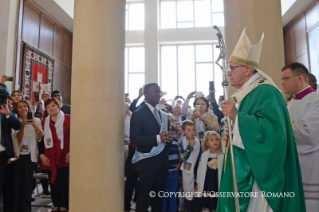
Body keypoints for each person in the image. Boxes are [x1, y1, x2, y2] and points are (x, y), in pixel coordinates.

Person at [218, 28, 305, 211]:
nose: (229, 73)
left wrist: (236, 117)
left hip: (260, 178)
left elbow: (274, 134)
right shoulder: (248, 93)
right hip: (249, 169)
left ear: (248, 70)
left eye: (233, 68)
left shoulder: (266, 92)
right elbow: (250, 127)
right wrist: (233, 129)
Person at [281, 62, 319, 211]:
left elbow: (308, 133)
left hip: (309, 162)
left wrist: (279, 128)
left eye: (286, 78)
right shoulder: (291, 102)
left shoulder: (315, 100)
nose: (282, 82)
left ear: (299, 78)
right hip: (293, 161)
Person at [130, 83, 171, 212]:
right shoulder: (138, 114)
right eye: (155, 92)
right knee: (144, 197)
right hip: (147, 162)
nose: (158, 94)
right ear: (146, 94)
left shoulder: (163, 115)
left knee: (158, 198)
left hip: (162, 163)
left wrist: (168, 138)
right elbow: (135, 138)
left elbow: (166, 137)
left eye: (159, 92)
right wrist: (158, 138)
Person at [5, 100, 43, 212]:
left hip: (31, 156)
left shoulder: (36, 120)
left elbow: (40, 136)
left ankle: (26, 208)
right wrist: (22, 126)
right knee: (17, 184)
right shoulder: (15, 121)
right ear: (16, 109)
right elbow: (18, 139)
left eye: (25, 106)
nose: (23, 109)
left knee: (27, 184)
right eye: (20, 107)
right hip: (18, 156)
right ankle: (15, 208)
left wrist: (34, 125)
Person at [38, 97, 71, 212]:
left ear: (59, 106)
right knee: (53, 181)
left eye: (53, 105)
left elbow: (77, 137)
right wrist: (41, 155)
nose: (50, 108)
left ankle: (64, 204)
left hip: (65, 156)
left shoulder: (69, 119)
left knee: (65, 180)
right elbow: (40, 140)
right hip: (50, 157)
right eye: (48, 107)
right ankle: (55, 203)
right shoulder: (44, 122)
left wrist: (72, 152)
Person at [0, 76, 22, 208]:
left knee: (7, 187)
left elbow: (18, 125)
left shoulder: (6, 113)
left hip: (3, 155)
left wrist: (8, 113)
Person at [195, 131, 224, 212]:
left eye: (216, 139)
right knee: (207, 199)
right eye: (211, 140)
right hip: (207, 181)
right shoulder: (204, 155)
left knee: (216, 198)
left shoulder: (223, 155)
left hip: (217, 180)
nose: (215, 141)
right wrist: (198, 182)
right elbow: (199, 169)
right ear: (207, 143)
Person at [178, 120, 201, 212]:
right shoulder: (181, 143)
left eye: (193, 129)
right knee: (188, 191)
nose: (192, 132)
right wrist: (190, 147)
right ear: (183, 131)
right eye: (188, 130)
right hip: (187, 170)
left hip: (197, 169)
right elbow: (183, 157)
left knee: (197, 191)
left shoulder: (198, 141)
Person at [162, 135, 181, 212]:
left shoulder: (175, 140)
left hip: (174, 172)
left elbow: (179, 154)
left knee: (173, 194)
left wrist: (179, 165)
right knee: (164, 194)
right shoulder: (162, 141)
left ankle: (173, 210)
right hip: (165, 173)